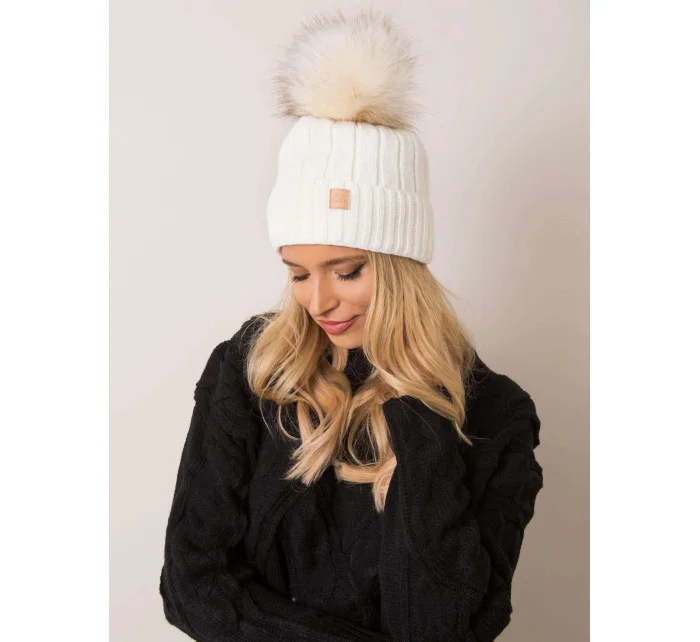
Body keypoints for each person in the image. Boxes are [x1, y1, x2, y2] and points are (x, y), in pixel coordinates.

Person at [159, 8, 544, 641]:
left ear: (400, 264)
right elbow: (192, 584)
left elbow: (444, 627)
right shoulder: (252, 368)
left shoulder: (495, 414)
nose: (319, 301)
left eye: (347, 270)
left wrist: (419, 409)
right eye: (298, 273)